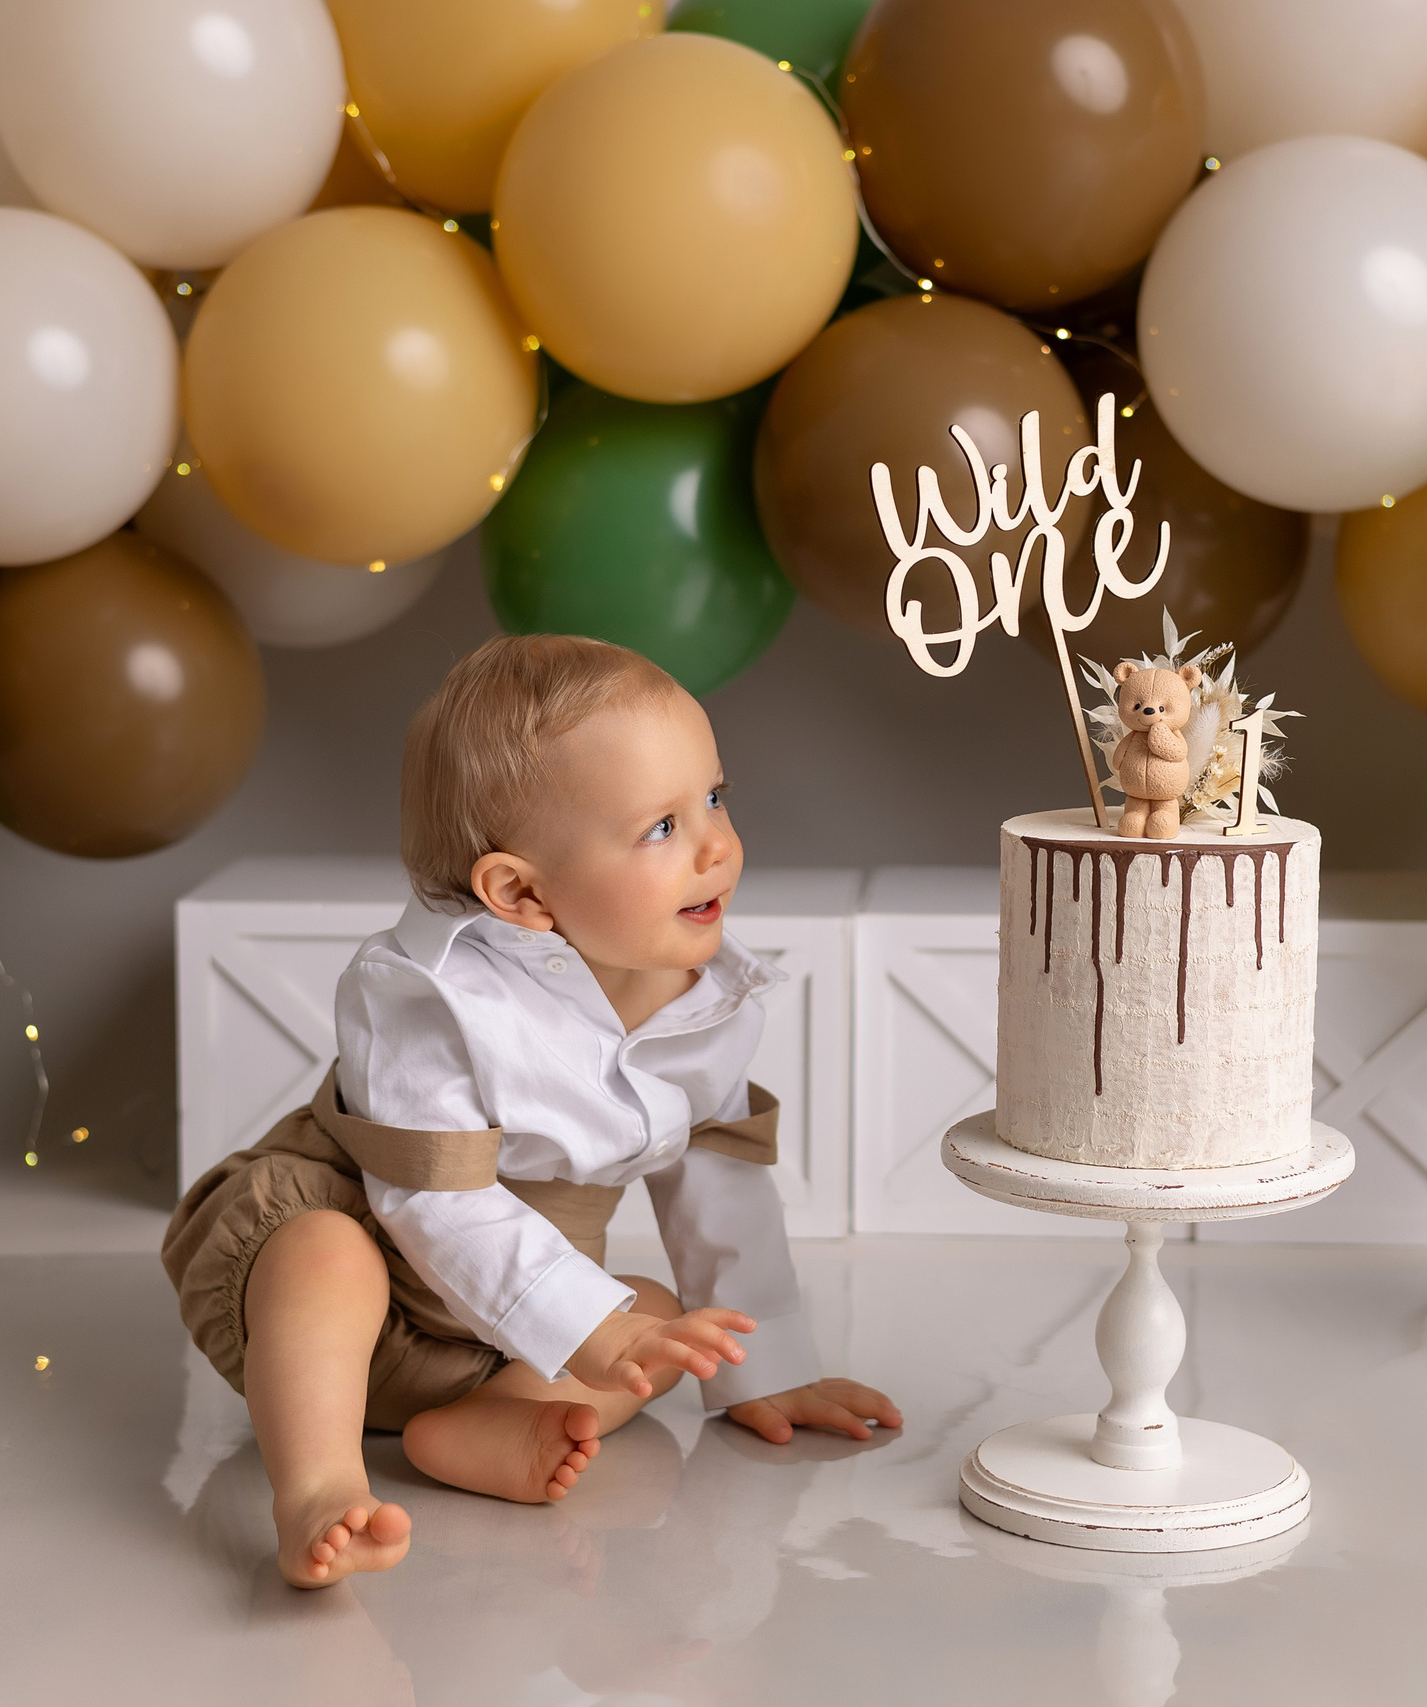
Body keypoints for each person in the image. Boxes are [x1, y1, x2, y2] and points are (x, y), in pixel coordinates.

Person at [163, 634, 901, 1587]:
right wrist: (591, 1326)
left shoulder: (703, 998)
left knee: (666, 1321)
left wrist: (763, 1367)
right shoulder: (428, 992)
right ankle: (319, 1482)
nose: (718, 844)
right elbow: (436, 1204)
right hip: (349, 1295)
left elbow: (719, 1182)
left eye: (714, 797)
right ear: (519, 891)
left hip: (509, 1338)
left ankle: (492, 1418)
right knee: (323, 1256)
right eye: (662, 826)